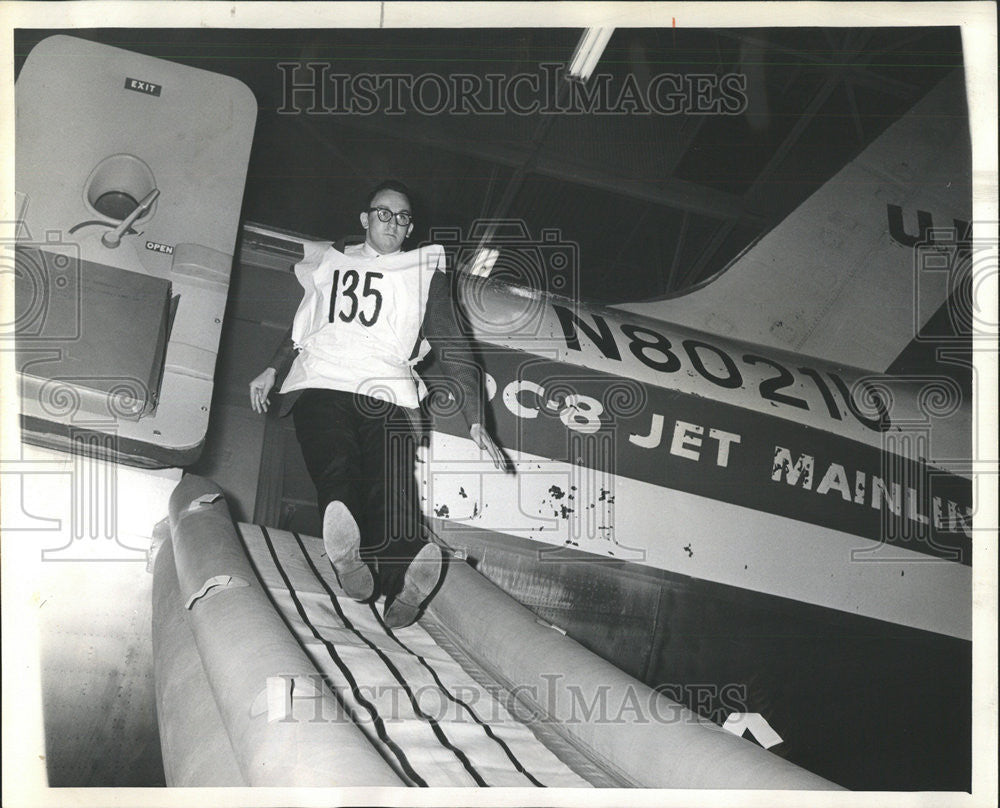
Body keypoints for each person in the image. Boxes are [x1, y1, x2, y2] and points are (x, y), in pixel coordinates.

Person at [249, 180, 504, 629]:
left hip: (387, 389)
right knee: (338, 463)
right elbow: (302, 325)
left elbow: (453, 346)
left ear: (410, 229)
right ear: (365, 219)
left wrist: (475, 420)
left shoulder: (424, 271)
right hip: (324, 380)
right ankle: (348, 554)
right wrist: (272, 368)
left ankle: (405, 579)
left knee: (391, 486)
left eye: (403, 218)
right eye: (384, 214)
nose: (394, 223)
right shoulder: (329, 262)